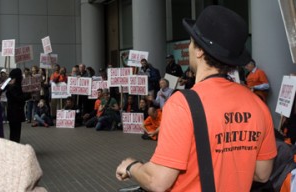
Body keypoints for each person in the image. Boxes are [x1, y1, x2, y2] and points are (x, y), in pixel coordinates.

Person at [116, 5, 277, 192]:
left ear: (199, 50)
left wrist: (131, 166)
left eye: (191, 43)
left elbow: (158, 181)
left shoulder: (182, 104)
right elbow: (262, 173)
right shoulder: (258, 105)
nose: (190, 48)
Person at [6, 68, 28, 143]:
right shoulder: (14, 87)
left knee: (14, 132)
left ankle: (13, 147)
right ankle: (14, 148)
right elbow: (19, 98)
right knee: (15, 133)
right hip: (15, 113)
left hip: (13, 112)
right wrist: (28, 95)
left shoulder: (11, 86)